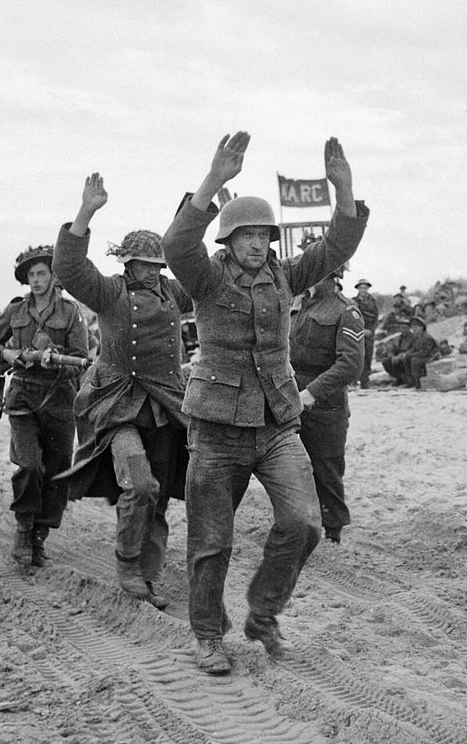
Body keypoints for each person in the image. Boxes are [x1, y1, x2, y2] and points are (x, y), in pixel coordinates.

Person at [162, 131, 368, 675]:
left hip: (276, 423)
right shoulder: (205, 277)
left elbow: (338, 247)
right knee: (212, 541)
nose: (257, 244)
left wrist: (343, 190)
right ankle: (207, 636)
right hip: (215, 427)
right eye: (247, 235)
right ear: (228, 240)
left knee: (304, 523)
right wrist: (213, 180)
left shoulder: (285, 275)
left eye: (264, 235)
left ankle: (263, 615)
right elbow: (177, 245)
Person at [52, 174, 193, 608]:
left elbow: (200, 274)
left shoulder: (172, 292)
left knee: (162, 497)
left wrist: (201, 214)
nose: (153, 272)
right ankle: (128, 567)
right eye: (144, 265)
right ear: (128, 264)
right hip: (118, 408)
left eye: (158, 266)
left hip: (167, 407)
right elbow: (70, 268)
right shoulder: (109, 292)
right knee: (142, 487)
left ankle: (145, 577)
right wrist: (87, 211)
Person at [0, 245, 90, 566]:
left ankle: (40, 536)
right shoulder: (15, 311)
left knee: (58, 472)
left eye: (42, 273)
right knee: (29, 465)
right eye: (31, 275)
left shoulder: (70, 313)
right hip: (23, 397)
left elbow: (81, 360)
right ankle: (24, 528)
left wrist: (54, 358)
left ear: (54, 276)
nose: (37, 280)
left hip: (59, 399)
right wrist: (7, 355)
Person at [290, 270, 364, 544]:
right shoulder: (297, 305)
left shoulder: (346, 311)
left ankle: (333, 531)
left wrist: (312, 393)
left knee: (327, 468)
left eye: (316, 271)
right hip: (290, 398)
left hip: (325, 405)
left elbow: (351, 365)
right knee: (290, 467)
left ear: (332, 276)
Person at [396, 315, 439, 388]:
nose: (413, 329)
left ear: (421, 328)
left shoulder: (427, 337)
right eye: (412, 327)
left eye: (415, 327)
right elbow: (413, 349)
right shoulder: (417, 337)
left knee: (415, 360)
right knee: (406, 359)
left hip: (432, 357)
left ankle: (418, 383)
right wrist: (406, 354)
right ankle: (411, 381)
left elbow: (424, 353)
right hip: (424, 356)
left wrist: (409, 355)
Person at [351, 276, 378, 388]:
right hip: (357, 332)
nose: (363, 290)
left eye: (365, 288)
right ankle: (353, 380)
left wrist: (371, 330)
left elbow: (376, 318)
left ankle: (365, 381)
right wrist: (361, 330)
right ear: (358, 289)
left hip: (369, 334)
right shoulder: (354, 301)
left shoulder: (373, 302)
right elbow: (352, 318)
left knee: (368, 356)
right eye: (361, 288)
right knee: (356, 356)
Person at [380, 316, 414, 383]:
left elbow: (414, 349)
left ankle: (408, 380)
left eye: (405, 328)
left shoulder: (413, 338)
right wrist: (392, 356)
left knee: (403, 361)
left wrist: (401, 356)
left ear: (409, 328)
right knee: (385, 361)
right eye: (401, 328)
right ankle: (399, 379)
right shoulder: (397, 338)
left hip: (407, 357)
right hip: (396, 357)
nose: (403, 330)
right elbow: (391, 349)